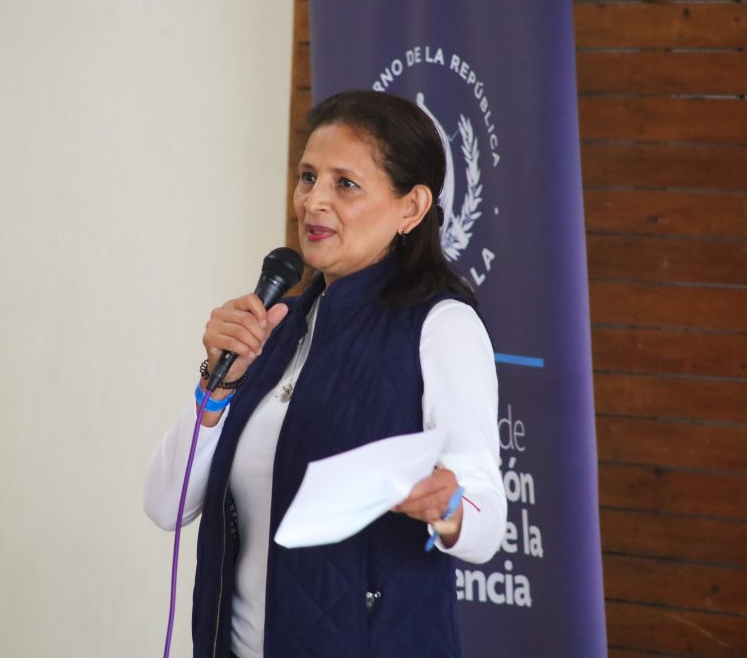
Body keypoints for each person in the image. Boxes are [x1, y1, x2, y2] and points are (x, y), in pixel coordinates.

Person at [144, 90, 505, 658]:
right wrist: (216, 386)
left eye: (346, 184)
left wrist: (451, 506)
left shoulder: (442, 327)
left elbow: (487, 522)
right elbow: (166, 503)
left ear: (411, 208)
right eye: (308, 177)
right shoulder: (275, 325)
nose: (314, 201)